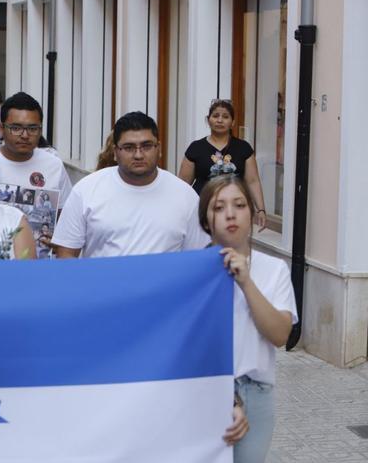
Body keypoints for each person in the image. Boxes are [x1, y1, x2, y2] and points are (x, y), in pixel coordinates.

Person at [199, 174, 297, 460]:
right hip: (204, 388)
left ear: (252, 214)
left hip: (255, 392)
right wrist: (224, 397)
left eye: (239, 205)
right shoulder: (192, 271)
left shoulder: (274, 268)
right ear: (206, 221)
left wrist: (246, 282)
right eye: (218, 208)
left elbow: (280, 335)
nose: (230, 214)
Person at [52, 111, 210, 258]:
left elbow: (197, 258)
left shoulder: (185, 196)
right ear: (115, 151)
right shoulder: (86, 190)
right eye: (128, 147)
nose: (138, 155)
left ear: (159, 149)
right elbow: (65, 253)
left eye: (147, 146)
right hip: (103, 287)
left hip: (166, 288)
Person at [0, 92, 72, 259]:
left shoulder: (54, 165)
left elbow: (66, 214)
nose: (24, 135)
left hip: (39, 266)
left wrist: (60, 239)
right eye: (16, 128)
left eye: (32, 128)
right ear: (1, 128)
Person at [179, 99, 267, 228]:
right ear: (208, 120)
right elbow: (183, 184)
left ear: (233, 122)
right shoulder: (196, 148)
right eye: (215, 116)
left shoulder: (243, 148)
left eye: (225, 117)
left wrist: (261, 209)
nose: (220, 120)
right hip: (201, 211)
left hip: (234, 210)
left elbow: (253, 181)